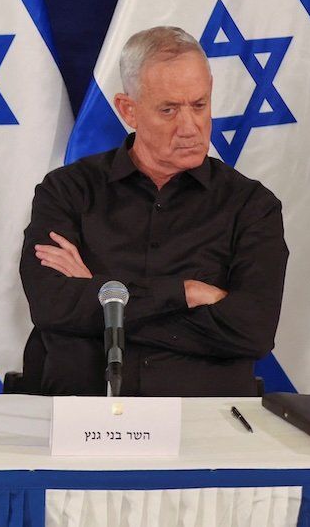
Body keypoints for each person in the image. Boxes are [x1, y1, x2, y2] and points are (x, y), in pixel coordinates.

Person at [19, 26, 288, 396]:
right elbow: (51, 306)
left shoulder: (252, 206)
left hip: (205, 426)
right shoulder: (67, 191)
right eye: (169, 110)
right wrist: (186, 294)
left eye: (199, 105)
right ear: (128, 110)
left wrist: (104, 299)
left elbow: (252, 331)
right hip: (80, 415)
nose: (190, 127)